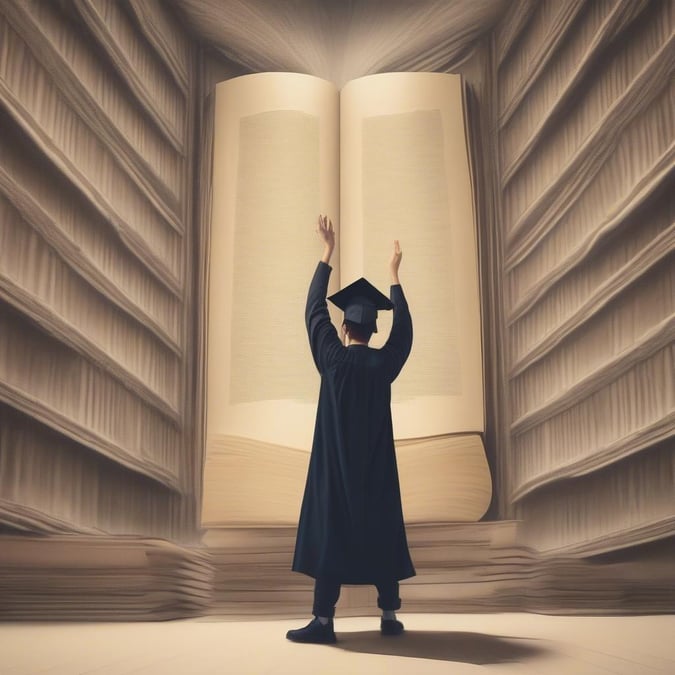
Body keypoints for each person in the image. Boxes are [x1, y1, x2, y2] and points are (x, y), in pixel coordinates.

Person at [286, 215, 416, 644]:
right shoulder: (383, 367)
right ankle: (390, 616)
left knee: (331, 529)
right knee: (381, 526)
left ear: (344, 328)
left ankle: (324, 623)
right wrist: (394, 277)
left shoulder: (333, 362)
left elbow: (312, 311)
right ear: (372, 327)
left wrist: (327, 252)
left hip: (337, 477)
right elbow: (405, 335)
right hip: (375, 476)